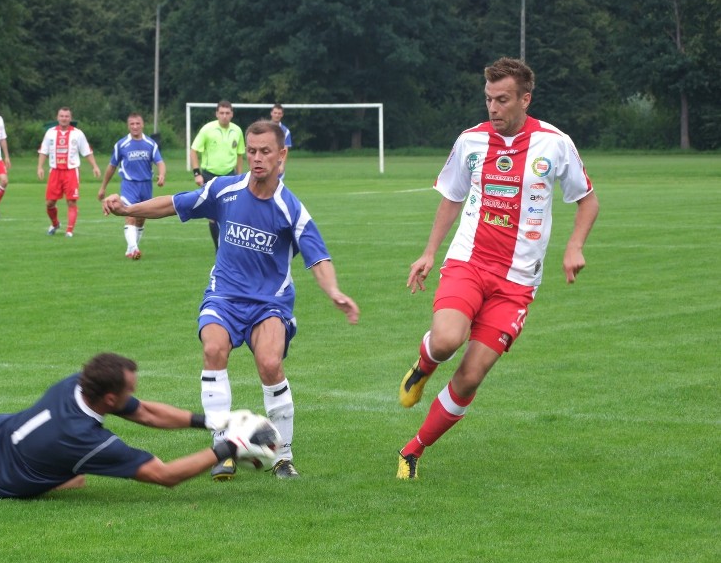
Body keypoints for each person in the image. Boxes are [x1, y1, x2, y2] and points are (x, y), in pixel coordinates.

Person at [103, 120, 360, 480]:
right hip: (223, 296)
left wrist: (333, 291)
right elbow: (174, 204)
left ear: (281, 155)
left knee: (270, 364)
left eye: (265, 152)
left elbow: (317, 256)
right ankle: (222, 446)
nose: (256, 158)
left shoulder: (290, 208)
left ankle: (282, 455)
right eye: (251, 151)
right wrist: (129, 207)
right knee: (213, 350)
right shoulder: (224, 190)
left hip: (269, 303)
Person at [396, 57, 600, 480]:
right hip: (469, 262)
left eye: (502, 99)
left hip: (518, 283)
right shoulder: (471, 141)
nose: (493, 107)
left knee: (471, 377)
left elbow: (587, 200)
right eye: (488, 98)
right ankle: (424, 365)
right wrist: (429, 252)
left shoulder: (555, 143)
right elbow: (452, 196)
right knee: (448, 339)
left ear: (525, 99)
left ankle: (413, 451)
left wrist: (573, 247)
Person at [0, 353, 276, 497]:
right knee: (74, 479)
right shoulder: (89, 442)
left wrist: (212, 420)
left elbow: (146, 412)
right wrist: (228, 446)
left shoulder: (75, 385)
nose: (136, 394)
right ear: (109, 400)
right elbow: (164, 476)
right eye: (130, 388)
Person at [97, 113, 167, 260]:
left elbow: (160, 162)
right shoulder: (121, 145)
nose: (135, 126)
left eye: (137, 123)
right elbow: (111, 167)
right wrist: (103, 187)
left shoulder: (150, 144)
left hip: (146, 185)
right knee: (129, 215)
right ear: (128, 126)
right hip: (129, 185)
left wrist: (162, 175)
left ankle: (131, 249)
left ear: (142, 125)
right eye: (132, 124)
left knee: (141, 218)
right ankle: (134, 249)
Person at [37, 107, 101, 238]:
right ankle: (55, 224)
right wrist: (40, 167)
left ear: (70, 118)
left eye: (66, 116)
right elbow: (43, 151)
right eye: (61, 116)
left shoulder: (77, 134)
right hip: (55, 171)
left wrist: (94, 166)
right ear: (57, 117)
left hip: (71, 171)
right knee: (50, 203)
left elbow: (86, 151)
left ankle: (69, 231)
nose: (64, 118)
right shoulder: (50, 133)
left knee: (71, 201)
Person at [189, 100, 245, 250]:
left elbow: (240, 155)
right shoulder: (207, 129)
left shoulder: (237, 131)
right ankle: (218, 249)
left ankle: (228, 246)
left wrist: (240, 176)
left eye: (227, 113)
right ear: (216, 114)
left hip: (230, 176)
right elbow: (193, 150)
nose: (225, 116)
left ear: (232, 114)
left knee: (231, 213)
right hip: (210, 176)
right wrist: (197, 174)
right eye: (222, 113)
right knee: (213, 216)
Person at [269, 103, 292, 179]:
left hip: (277, 164)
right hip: (266, 163)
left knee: (277, 189)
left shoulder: (285, 131)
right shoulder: (264, 128)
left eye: (279, 113)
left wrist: (282, 165)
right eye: (275, 113)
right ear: (271, 113)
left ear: (282, 115)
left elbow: (285, 149)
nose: (277, 115)